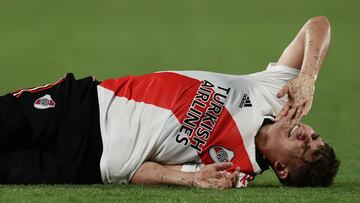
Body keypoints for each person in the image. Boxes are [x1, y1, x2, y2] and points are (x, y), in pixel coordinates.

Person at [0, 16, 339, 188]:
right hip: (86, 104)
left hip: (84, 165)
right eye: (314, 135)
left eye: (306, 146)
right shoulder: (275, 92)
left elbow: (140, 173)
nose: (305, 133)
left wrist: (190, 179)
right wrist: (308, 76)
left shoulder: (234, 172)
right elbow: (318, 25)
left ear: (281, 169)